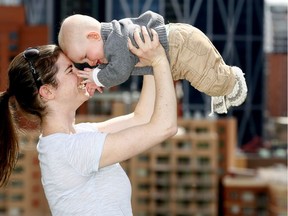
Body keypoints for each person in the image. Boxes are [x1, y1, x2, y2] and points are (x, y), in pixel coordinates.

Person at [0, 27, 177, 215]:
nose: (81, 72)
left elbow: (142, 118)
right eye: (70, 70)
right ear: (47, 92)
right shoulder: (69, 150)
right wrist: (158, 60)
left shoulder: (75, 138)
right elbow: (165, 127)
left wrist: (147, 62)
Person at [58, 10, 248, 114]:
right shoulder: (111, 42)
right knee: (209, 76)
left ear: (93, 36)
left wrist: (98, 78)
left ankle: (233, 79)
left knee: (212, 83)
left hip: (180, 48)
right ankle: (227, 77)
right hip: (178, 50)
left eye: (85, 56)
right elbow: (114, 66)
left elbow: (121, 71)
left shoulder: (116, 40)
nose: (90, 63)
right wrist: (96, 78)